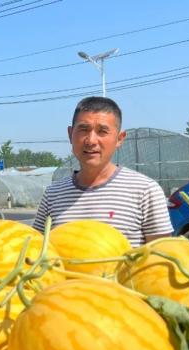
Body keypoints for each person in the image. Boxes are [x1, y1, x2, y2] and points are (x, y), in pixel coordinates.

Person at [33, 96, 172, 247]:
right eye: (83, 129)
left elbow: (161, 259)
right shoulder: (53, 194)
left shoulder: (146, 191)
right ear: (70, 134)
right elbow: (35, 251)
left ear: (119, 139)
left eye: (102, 131)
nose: (91, 140)